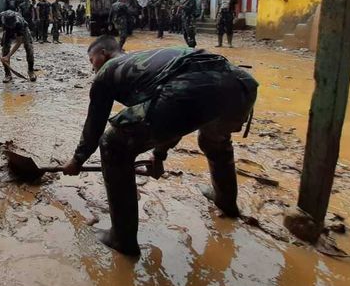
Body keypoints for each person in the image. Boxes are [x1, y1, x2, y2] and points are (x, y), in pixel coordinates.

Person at [62, 36, 257, 256]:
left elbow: (95, 124)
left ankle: (121, 237)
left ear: (104, 53)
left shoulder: (109, 70)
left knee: (112, 145)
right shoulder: (149, 60)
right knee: (213, 140)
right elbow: (179, 116)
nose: (92, 69)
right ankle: (226, 201)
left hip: (193, 88)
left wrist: (78, 159)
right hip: (239, 84)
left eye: (91, 61)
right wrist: (159, 155)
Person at [0, 10, 37, 83]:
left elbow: (18, 42)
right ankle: (7, 74)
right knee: (5, 50)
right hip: (7, 31)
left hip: (24, 30)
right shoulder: (0, 16)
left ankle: (31, 71)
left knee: (29, 48)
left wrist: (9, 56)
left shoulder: (19, 23)